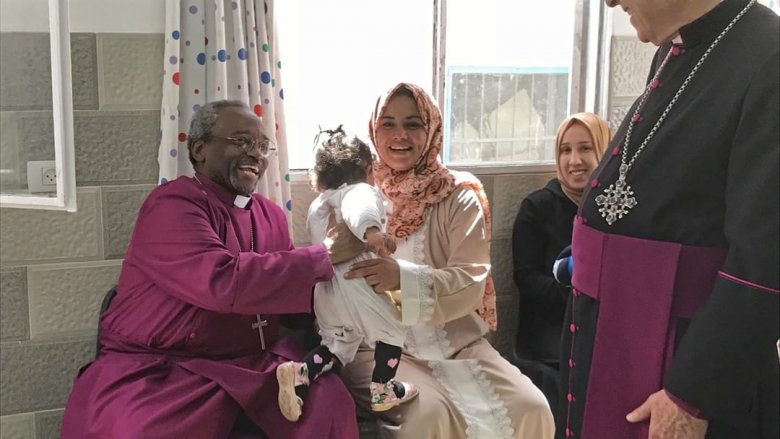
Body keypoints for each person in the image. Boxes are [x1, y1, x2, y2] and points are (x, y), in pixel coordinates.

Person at [61, 100, 365, 439]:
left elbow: (289, 292)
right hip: (161, 369)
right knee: (140, 430)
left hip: (251, 364)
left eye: (262, 146)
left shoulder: (271, 216)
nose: (256, 153)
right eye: (241, 141)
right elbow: (220, 281)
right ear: (199, 149)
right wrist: (323, 255)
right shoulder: (172, 204)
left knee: (329, 401)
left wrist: (357, 289)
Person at [559, 0, 779, 438]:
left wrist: (692, 394)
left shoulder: (769, 56)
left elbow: (766, 258)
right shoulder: (672, 50)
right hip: (614, 335)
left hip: (687, 367)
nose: (609, 2)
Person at [339, 82, 555, 438]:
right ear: (373, 131)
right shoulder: (356, 195)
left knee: (532, 408)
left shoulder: (458, 195)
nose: (399, 136)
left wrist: (400, 277)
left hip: (457, 343)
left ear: (432, 128)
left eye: (413, 124)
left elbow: (471, 280)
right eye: (388, 124)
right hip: (377, 348)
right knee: (427, 416)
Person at [276, 126, 418, 423]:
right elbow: (360, 210)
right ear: (368, 170)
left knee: (338, 347)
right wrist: (375, 235)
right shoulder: (360, 191)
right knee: (393, 327)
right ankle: (383, 389)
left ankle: (301, 374)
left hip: (326, 290)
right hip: (357, 281)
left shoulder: (318, 205)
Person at [511, 113, 610, 420]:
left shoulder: (614, 207)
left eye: (585, 148)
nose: (575, 160)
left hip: (603, 333)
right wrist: (574, 290)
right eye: (565, 150)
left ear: (606, 151)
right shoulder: (538, 207)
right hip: (550, 343)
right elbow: (524, 278)